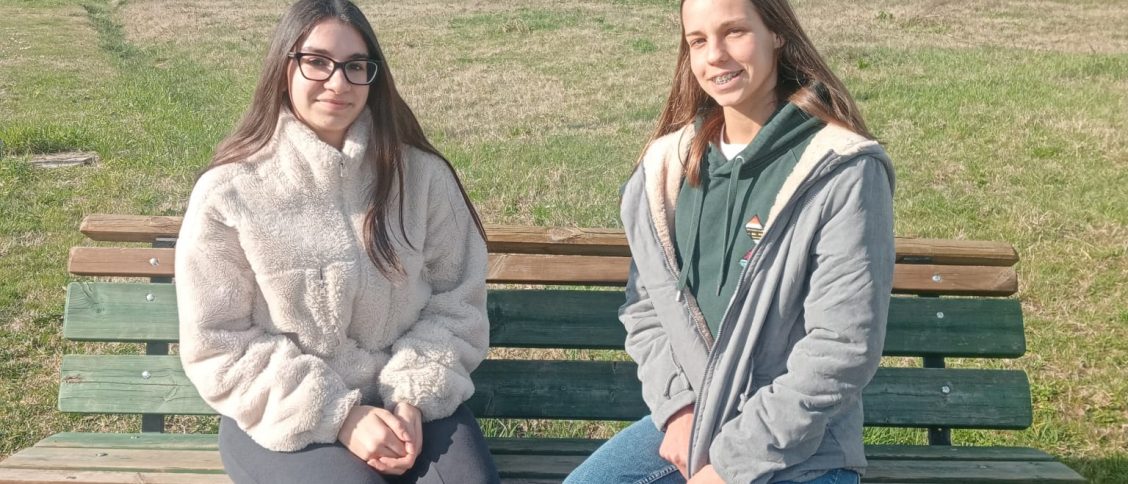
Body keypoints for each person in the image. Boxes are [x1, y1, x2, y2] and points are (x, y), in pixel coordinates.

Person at [566, 0, 895, 482]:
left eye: (734, 32)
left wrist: (728, 465)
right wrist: (679, 408)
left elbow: (841, 348)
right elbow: (647, 308)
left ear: (776, 34)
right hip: (695, 420)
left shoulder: (842, 170)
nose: (715, 55)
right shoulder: (667, 170)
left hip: (801, 449)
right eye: (698, 40)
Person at [174, 1, 500, 482]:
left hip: (411, 405)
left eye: (355, 66)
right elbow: (219, 342)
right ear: (284, 67)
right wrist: (340, 415)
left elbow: (457, 303)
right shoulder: (230, 192)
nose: (338, 82)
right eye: (317, 62)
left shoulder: (423, 178)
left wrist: (412, 397)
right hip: (284, 414)